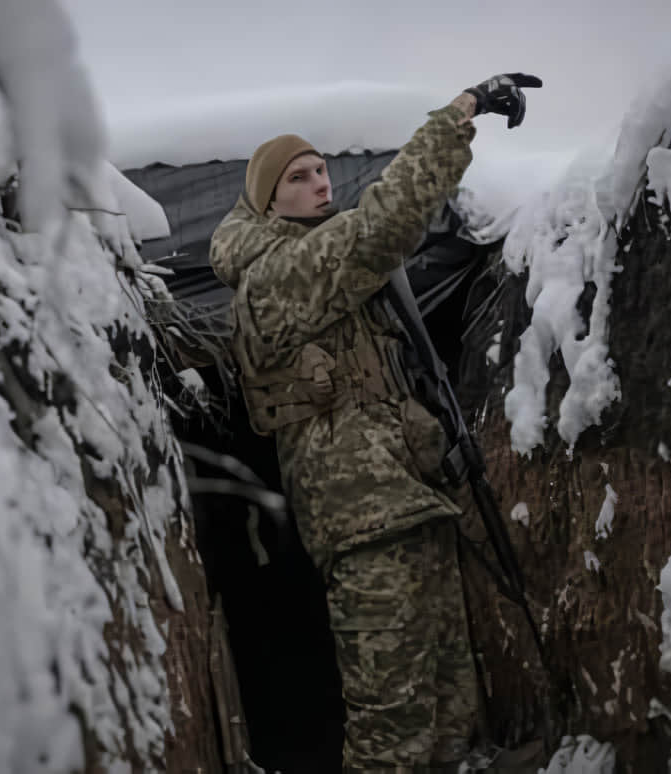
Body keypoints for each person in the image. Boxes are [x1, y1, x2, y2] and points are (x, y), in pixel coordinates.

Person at [209, 74, 541, 770]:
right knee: (390, 712)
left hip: (408, 497)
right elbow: (385, 226)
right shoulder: (277, 278)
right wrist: (461, 112)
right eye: (299, 178)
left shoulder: (337, 278)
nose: (321, 185)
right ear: (267, 201)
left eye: (324, 171)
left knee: (451, 686)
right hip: (359, 514)